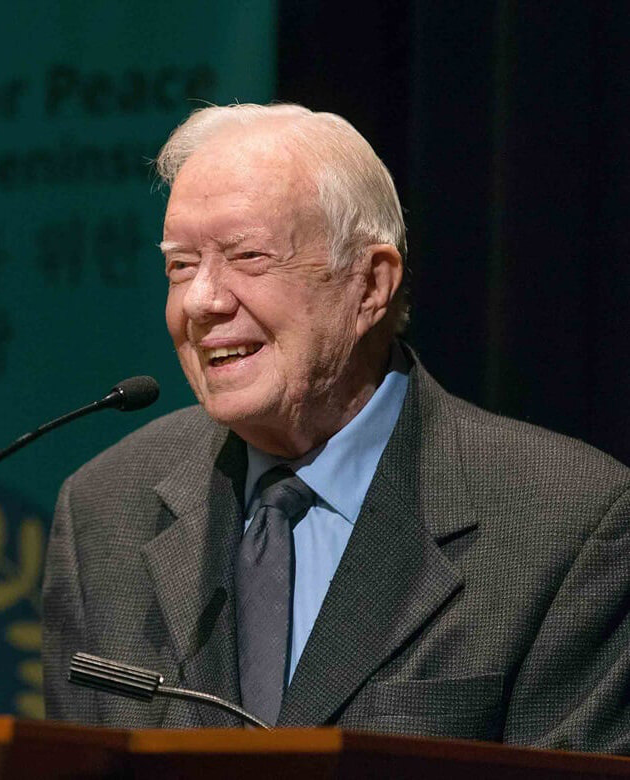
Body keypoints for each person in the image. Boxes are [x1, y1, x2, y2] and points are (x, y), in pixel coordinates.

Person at [42, 103, 630, 752]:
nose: (203, 301)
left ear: (370, 285)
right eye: (181, 266)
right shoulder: (106, 510)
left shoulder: (566, 521)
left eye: (248, 256)